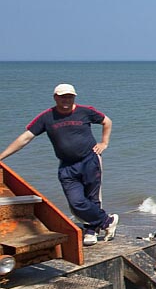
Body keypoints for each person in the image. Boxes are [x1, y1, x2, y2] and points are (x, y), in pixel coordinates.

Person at [0, 83, 119, 247]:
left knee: (92, 197)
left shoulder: (85, 111)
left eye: (69, 96)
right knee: (75, 202)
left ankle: (91, 230)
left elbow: (107, 121)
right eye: (62, 96)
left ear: (74, 97)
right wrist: (2, 157)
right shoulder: (46, 117)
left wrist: (104, 143)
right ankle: (106, 220)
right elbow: (25, 138)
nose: (66, 100)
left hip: (89, 160)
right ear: (55, 97)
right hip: (66, 166)